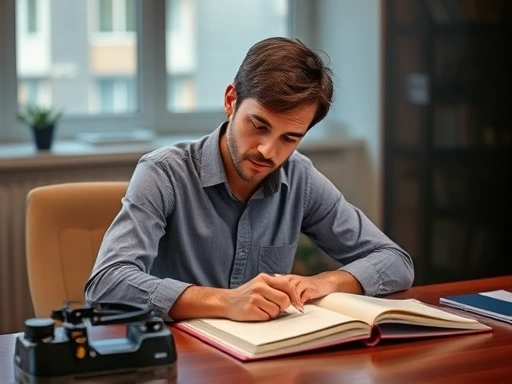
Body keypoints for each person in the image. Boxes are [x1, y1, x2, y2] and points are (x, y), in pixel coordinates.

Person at [85, 37, 414, 322]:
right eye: (258, 126)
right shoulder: (163, 174)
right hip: (182, 362)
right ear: (231, 101)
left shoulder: (300, 178)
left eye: (290, 138)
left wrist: (325, 282)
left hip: (263, 361)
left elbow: (396, 262)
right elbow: (107, 283)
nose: (268, 151)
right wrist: (226, 302)